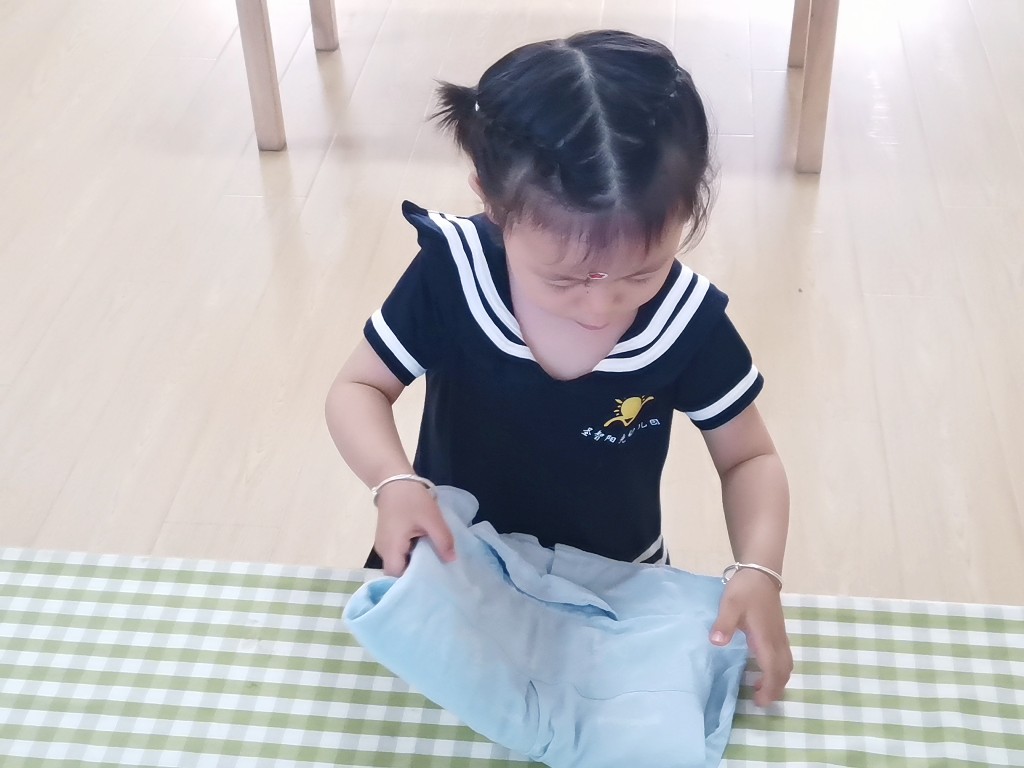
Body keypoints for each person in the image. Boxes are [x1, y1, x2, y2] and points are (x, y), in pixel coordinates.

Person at [326, 29, 792, 707]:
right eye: (566, 279)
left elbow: (750, 458)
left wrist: (759, 569)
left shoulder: (685, 320)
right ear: (492, 202)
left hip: (613, 592)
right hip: (453, 567)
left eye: (641, 272)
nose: (602, 307)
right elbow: (358, 387)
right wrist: (393, 481)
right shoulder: (454, 275)